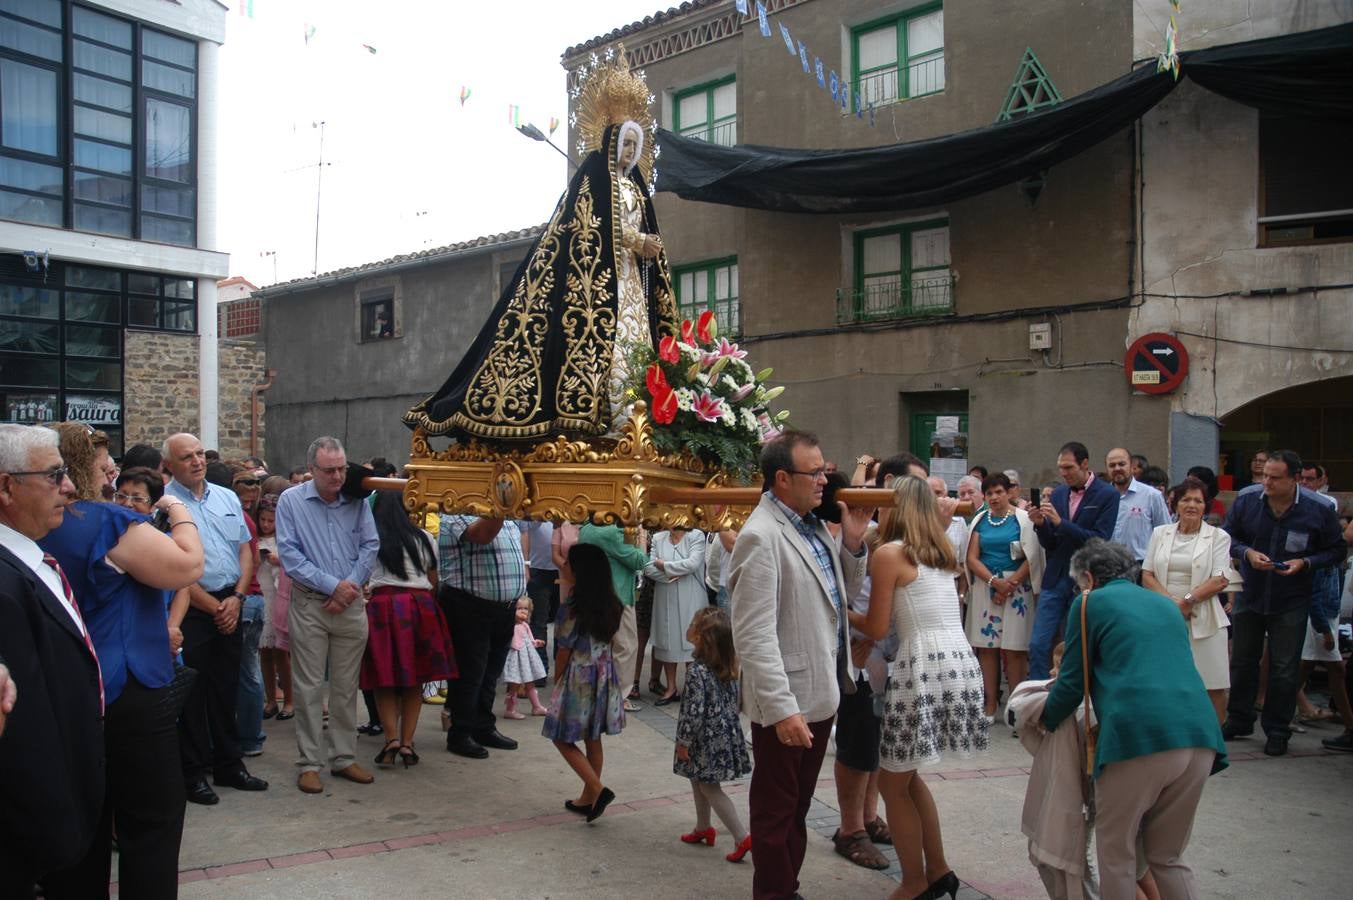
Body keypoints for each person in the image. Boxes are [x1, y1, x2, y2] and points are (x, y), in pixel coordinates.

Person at [404, 94, 678, 441]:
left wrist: (647, 248)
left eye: (634, 144)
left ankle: (634, 414)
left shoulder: (636, 189)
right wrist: (639, 241)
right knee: (609, 342)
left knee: (636, 342)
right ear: (611, 142)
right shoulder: (594, 180)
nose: (628, 149)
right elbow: (590, 226)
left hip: (631, 281)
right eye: (624, 141)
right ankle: (604, 414)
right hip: (600, 281)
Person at [42, 425, 206, 898]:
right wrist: (177, 508)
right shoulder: (103, 521)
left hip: (67, 686)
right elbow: (187, 565)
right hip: (125, 682)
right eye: (101, 464)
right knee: (152, 817)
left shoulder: (37, 527)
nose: (110, 470)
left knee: (84, 818)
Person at [1042, 539, 1228, 900]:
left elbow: (1071, 682)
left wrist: (1044, 720)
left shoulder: (1088, 603)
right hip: (1199, 735)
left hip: (1139, 737)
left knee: (1117, 855)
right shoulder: (1165, 605)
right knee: (1168, 856)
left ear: (1088, 577)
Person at [728, 431, 871, 900]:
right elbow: (754, 633)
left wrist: (850, 546)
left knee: (796, 810)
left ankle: (786, 887)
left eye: (825, 471)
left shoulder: (809, 524)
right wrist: (782, 709)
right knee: (774, 813)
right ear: (783, 478)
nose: (824, 482)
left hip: (819, 691)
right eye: (815, 473)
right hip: (787, 702)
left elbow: (834, 599)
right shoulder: (760, 535)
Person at [851, 475, 987, 900]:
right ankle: (939, 869)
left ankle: (913, 881)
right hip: (957, 659)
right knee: (906, 778)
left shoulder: (890, 553)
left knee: (893, 782)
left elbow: (875, 625)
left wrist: (839, 609)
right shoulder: (940, 550)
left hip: (922, 664)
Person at [0, 425, 105, 896]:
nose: (71, 487)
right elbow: (23, 729)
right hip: (43, 830)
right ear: (7, 486)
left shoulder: (29, 560)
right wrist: (56, 835)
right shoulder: (5, 585)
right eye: (55, 474)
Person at [163, 432, 268, 805]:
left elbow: (244, 550)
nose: (196, 461)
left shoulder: (225, 497)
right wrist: (213, 607)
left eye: (198, 454)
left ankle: (229, 764)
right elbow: (172, 566)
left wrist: (237, 598)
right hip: (190, 605)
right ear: (170, 466)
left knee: (226, 689)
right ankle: (193, 774)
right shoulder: (167, 505)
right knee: (193, 694)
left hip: (231, 601)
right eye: (186, 457)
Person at [1222, 449, 1346, 756]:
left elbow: (1336, 551)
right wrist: (1246, 553)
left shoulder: (1318, 509)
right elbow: (1226, 538)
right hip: (1251, 592)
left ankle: (1277, 729)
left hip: (1291, 597)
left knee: (1284, 668)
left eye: (1275, 478)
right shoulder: (1248, 500)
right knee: (1242, 660)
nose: (1267, 482)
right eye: (1265, 475)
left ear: (1296, 479)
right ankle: (1239, 718)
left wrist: (1305, 562)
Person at [275, 436, 380, 792]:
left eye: (341, 468)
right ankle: (308, 762)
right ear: (311, 470)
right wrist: (333, 586)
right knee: (307, 687)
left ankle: (344, 757)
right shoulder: (291, 502)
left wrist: (346, 587)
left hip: (349, 604)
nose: (337, 477)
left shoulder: (358, 499)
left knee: (346, 686)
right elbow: (289, 556)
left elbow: (370, 545)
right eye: (329, 470)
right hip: (310, 605)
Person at [361, 490, 456, 769]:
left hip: (382, 607)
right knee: (416, 677)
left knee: (383, 677)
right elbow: (433, 577)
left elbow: (364, 577)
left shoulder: (371, 540)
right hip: (418, 606)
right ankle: (406, 743)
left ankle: (390, 738)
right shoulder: (424, 538)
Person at [542, 542, 625, 823]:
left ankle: (597, 790)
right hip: (604, 676)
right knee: (593, 736)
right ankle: (588, 797)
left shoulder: (571, 609)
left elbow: (564, 650)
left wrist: (557, 683)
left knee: (560, 736)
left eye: (568, 562)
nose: (563, 565)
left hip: (578, 677)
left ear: (580, 572)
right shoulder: (612, 605)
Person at [1142, 477, 1235, 723]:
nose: (1192, 505)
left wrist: (1187, 601)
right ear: (1175, 505)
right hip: (1164, 616)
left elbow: (1220, 579)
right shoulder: (1159, 533)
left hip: (1204, 617)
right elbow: (1147, 574)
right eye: (1186, 500)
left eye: (1198, 500)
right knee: (1165, 681)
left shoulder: (1218, 537)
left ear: (1206, 506)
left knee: (1211, 683)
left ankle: (1215, 742)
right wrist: (1171, 604)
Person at [1026, 441, 1121, 680]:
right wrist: (1040, 525)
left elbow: (1099, 540)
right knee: (1038, 644)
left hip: (1085, 580)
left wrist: (1061, 524)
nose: (1063, 473)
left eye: (1068, 467)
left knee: (1073, 646)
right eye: (1060, 468)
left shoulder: (1107, 494)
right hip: (1056, 577)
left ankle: (1071, 697)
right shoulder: (1059, 493)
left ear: (1085, 464)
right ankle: (1037, 697)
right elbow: (1051, 543)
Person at [439, 512, 527, 759]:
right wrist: (504, 504)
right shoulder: (455, 512)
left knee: (490, 673)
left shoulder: (504, 514)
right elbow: (482, 534)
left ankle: (483, 726)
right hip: (468, 604)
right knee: (470, 673)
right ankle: (460, 733)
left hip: (502, 607)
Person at [674, 606, 753, 863]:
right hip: (721, 735)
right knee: (697, 779)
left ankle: (742, 836)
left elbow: (693, 712)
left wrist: (683, 742)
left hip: (703, 739)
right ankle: (703, 827)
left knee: (709, 786)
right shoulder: (726, 667)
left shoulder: (697, 672)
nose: (688, 627)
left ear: (700, 638)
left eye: (692, 625)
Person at [964, 471, 1043, 722]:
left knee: (1015, 648)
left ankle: (1016, 706)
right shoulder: (980, 521)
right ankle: (989, 702)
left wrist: (1010, 584)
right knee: (987, 648)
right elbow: (971, 558)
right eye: (989, 493)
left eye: (999, 492)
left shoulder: (1023, 520)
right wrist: (994, 582)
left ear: (1009, 492)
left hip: (1017, 588)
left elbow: (1033, 556)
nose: (994, 497)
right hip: (987, 586)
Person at [579, 521, 649, 712]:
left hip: (594, 597)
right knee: (626, 646)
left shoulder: (585, 529)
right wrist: (642, 537)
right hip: (617, 597)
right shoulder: (611, 533)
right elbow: (639, 560)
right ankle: (619, 696)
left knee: (600, 647)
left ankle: (598, 692)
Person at [645, 526, 707, 706]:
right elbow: (648, 568)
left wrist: (664, 566)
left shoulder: (696, 536)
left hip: (691, 594)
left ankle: (692, 688)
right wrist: (669, 576)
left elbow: (693, 563)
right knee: (668, 639)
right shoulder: (658, 538)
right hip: (666, 594)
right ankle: (671, 688)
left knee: (692, 641)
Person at [231, 466, 268, 758]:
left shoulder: (239, 519)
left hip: (244, 599)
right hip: (254, 599)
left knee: (243, 673)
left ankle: (248, 736)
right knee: (250, 671)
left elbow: (251, 561)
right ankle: (251, 736)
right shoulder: (249, 519)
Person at [255, 493, 293, 720]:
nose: (267, 525)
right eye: (263, 520)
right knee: (264, 653)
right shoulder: (254, 539)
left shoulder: (285, 541)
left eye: (271, 521)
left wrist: (280, 561)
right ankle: (270, 699)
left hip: (279, 598)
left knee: (281, 653)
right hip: (262, 595)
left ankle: (289, 699)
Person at [1106, 447, 1171, 563]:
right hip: (1108, 565)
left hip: (1140, 565)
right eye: (1112, 465)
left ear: (1131, 467)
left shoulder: (1152, 495)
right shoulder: (1101, 496)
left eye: (1121, 464)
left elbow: (1166, 533)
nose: (1117, 468)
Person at [519, 519, 558, 675]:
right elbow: (525, 532)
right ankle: (540, 670)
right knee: (539, 622)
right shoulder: (535, 510)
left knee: (561, 621)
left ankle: (561, 670)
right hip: (538, 569)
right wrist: (526, 565)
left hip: (561, 569)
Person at [501, 595, 549, 718]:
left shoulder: (525, 625)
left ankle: (536, 707)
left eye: (526, 609)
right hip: (516, 658)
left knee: (530, 683)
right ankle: (510, 709)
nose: (523, 611)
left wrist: (535, 642)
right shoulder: (513, 626)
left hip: (527, 658)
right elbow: (511, 641)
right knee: (515, 685)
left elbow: (529, 639)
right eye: (519, 608)